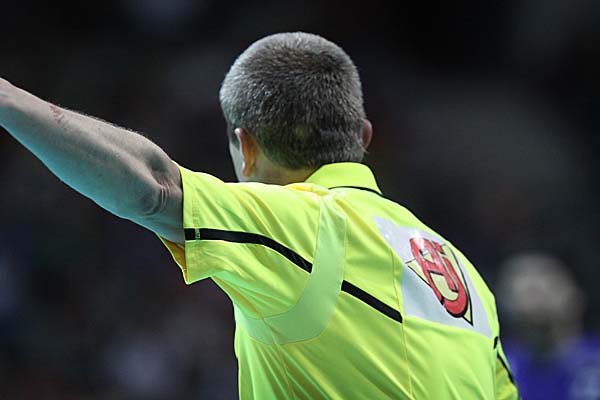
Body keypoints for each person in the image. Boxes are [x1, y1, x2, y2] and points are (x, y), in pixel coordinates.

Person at [0, 32, 518, 399]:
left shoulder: (306, 224)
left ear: (245, 148)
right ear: (363, 137)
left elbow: (155, 189)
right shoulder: (469, 280)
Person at [498, 252, 600, 400]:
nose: (534, 287)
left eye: (546, 278)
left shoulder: (595, 358)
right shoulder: (499, 364)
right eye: (526, 288)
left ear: (576, 294)